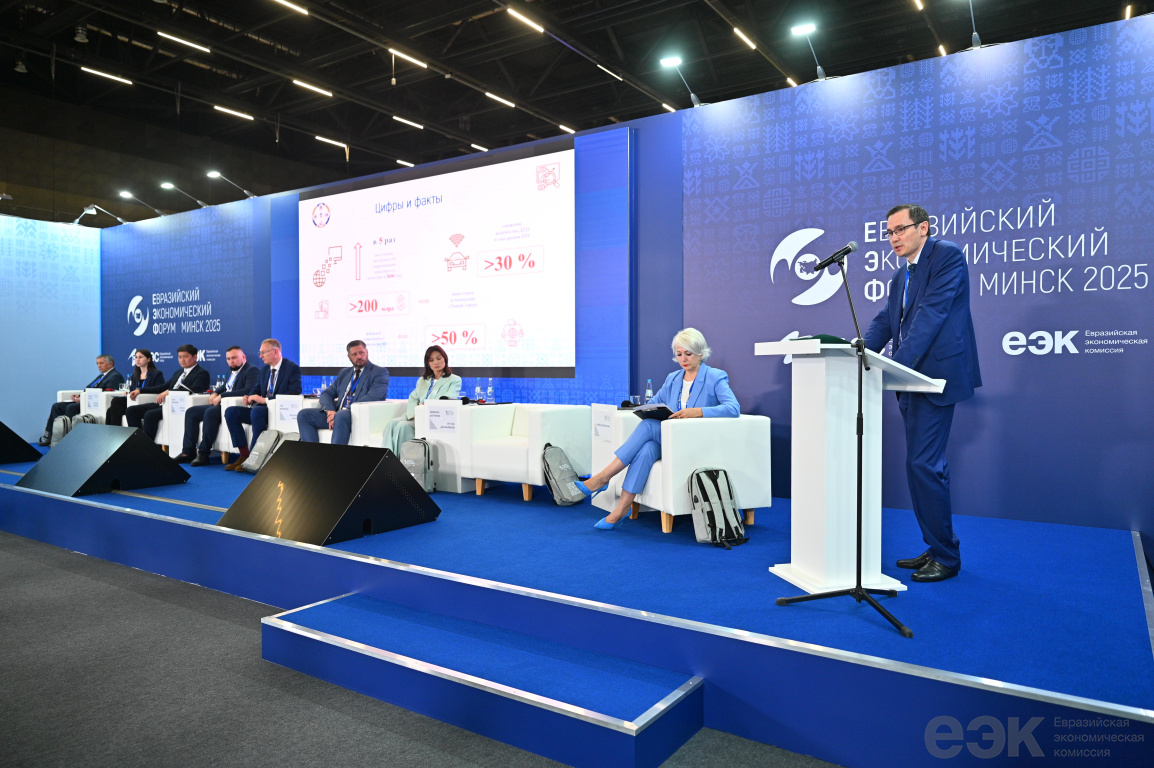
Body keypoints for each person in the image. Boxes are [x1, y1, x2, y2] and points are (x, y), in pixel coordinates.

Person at [863, 203, 981, 583]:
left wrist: (897, 365)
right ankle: (935, 545)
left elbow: (931, 315)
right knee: (921, 467)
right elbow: (886, 321)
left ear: (924, 228)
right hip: (910, 381)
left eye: (900, 229)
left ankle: (946, 556)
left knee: (924, 465)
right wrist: (859, 351)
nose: (894, 238)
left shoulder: (947, 256)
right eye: (889, 232)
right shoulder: (902, 274)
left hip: (935, 378)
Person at [577, 328, 740, 530]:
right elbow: (654, 402)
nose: (683, 359)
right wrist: (649, 410)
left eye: (688, 354)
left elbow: (733, 408)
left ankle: (603, 477)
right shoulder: (673, 378)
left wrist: (698, 412)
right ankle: (621, 509)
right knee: (647, 449)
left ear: (700, 353)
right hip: (670, 439)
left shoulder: (715, 377)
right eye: (679, 354)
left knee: (647, 427)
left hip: (695, 441)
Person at [173, 346, 260, 465]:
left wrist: (222, 396)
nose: (231, 361)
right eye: (228, 359)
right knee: (192, 412)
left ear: (243, 357)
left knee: (210, 412)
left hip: (235, 406)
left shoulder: (251, 370)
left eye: (234, 358)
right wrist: (215, 393)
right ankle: (187, 452)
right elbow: (225, 386)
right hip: (223, 405)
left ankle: (203, 453)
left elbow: (248, 389)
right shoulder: (231, 371)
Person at [223, 338, 301, 469]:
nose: (260, 356)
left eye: (263, 352)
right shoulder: (265, 369)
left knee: (257, 411)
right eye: (260, 353)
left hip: (278, 411)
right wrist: (249, 397)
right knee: (231, 412)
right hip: (259, 410)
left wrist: (266, 400)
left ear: (275, 351)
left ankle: (255, 458)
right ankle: (244, 455)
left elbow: (295, 392)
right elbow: (257, 388)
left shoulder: (291, 368)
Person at [297, 340, 390, 445]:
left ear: (367, 352)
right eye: (354, 354)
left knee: (341, 415)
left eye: (361, 353)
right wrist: (330, 410)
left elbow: (374, 396)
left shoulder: (379, 372)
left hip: (358, 415)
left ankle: (336, 454)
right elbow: (327, 393)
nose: (359, 356)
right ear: (349, 357)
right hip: (338, 414)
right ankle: (312, 453)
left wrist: (345, 410)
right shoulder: (345, 373)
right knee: (304, 415)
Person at [380, 345, 462, 455]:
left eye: (439, 358)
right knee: (391, 424)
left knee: (402, 426)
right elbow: (413, 398)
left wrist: (425, 406)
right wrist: (415, 413)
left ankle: (399, 460)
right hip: (415, 414)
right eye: (431, 360)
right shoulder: (423, 380)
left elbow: (446, 399)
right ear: (428, 363)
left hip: (433, 417)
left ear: (445, 359)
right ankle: (386, 458)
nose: (436, 362)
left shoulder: (454, 380)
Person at [125, 344, 210, 440]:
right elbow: (162, 387)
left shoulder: (201, 373)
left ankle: (147, 446)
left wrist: (169, 392)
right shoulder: (179, 373)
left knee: (150, 414)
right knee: (131, 411)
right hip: (164, 404)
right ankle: (137, 442)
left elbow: (194, 389)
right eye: (180, 357)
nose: (182, 360)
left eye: (185, 356)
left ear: (195, 357)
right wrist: (140, 390)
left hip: (178, 406)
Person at [40, 354, 125, 445]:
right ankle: (51, 435)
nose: (99, 366)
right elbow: (90, 389)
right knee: (56, 406)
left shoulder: (115, 376)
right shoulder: (101, 376)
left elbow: (107, 393)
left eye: (101, 363)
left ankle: (69, 438)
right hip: (86, 400)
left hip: (94, 403)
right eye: (97, 363)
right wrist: (79, 395)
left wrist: (83, 399)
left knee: (71, 407)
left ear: (111, 363)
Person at [105, 349, 165, 428]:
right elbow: (132, 389)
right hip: (134, 400)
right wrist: (127, 393)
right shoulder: (135, 375)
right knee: (110, 410)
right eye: (136, 357)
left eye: (140, 357)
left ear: (148, 359)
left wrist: (140, 391)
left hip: (146, 401)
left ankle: (117, 431)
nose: (137, 359)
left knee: (116, 401)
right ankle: (111, 432)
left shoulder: (156, 374)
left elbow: (158, 389)